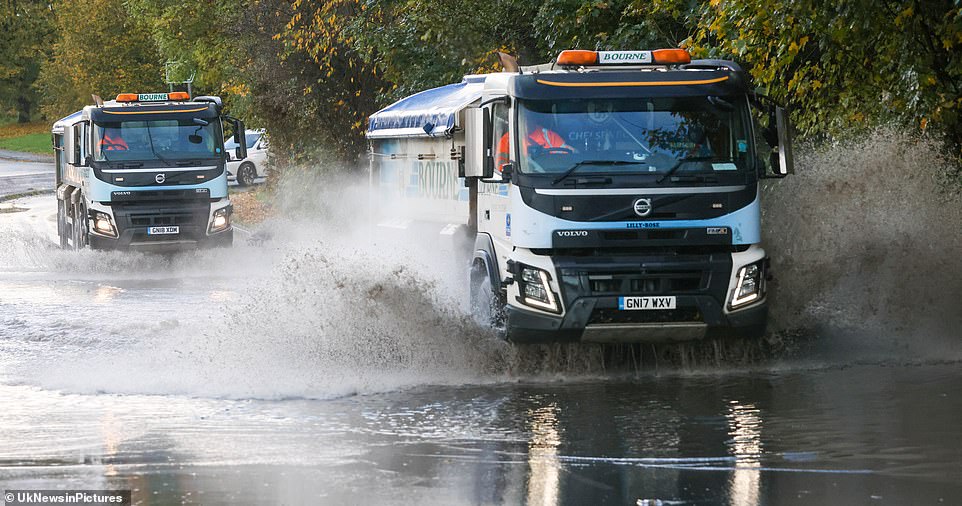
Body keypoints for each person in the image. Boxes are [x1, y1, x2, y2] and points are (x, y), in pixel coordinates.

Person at [494, 123, 575, 172]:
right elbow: (500, 165)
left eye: (529, 117)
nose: (527, 121)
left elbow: (569, 155)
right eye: (524, 118)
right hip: (522, 181)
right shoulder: (509, 138)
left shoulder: (547, 135)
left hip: (551, 178)